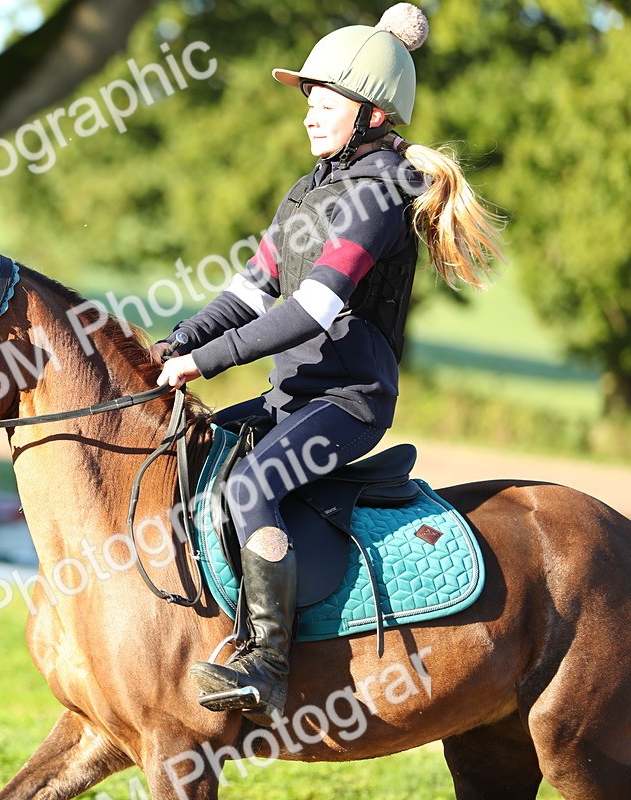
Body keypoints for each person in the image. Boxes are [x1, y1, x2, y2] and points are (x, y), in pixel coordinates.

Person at [151, 3, 505, 725]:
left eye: (326, 101)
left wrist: (205, 363)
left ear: (371, 112)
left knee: (251, 488)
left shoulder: (381, 191)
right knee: (199, 456)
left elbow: (311, 309)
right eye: (308, 99)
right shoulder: (308, 191)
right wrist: (175, 343)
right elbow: (248, 293)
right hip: (294, 397)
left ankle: (268, 664)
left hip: (348, 403)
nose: (310, 113)